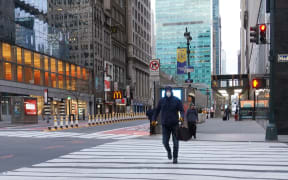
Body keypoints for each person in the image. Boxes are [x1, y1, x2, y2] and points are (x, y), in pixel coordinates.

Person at [152, 86, 184, 164]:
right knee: (164, 142)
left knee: (176, 143)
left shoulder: (177, 100)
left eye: (169, 91)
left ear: (171, 92)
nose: (168, 92)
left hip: (175, 124)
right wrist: (153, 119)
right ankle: (169, 151)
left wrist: (182, 117)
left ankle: (175, 157)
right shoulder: (162, 101)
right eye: (167, 91)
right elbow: (156, 111)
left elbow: (182, 111)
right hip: (165, 125)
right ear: (165, 92)